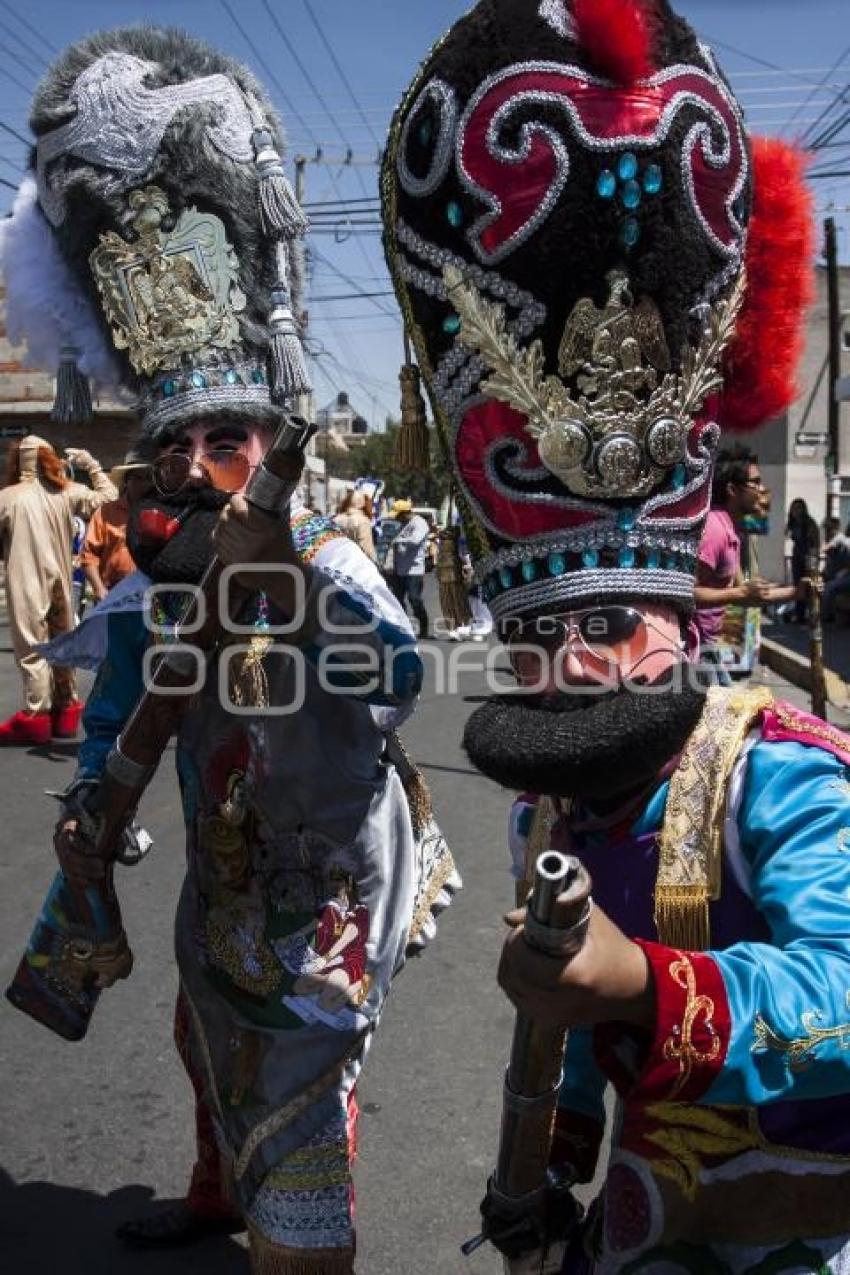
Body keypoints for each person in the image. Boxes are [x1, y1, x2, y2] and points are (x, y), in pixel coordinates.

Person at [382, 0, 848, 1269]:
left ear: (683, 620)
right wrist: (545, 1159)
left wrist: (644, 984)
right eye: (537, 639)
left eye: (608, 626)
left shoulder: (780, 769)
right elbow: (573, 1036)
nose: (573, 667)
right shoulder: (562, 806)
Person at [1, 26, 458, 1274]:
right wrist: (97, 805)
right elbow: (130, 697)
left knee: (304, 1137)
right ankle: (213, 1189)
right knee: (202, 1024)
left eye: (229, 441)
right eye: (178, 443)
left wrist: (295, 584)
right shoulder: (162, 579)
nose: (200, 467)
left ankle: (294, 1235)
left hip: (325, 895)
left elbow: (397, 680)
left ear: (270, 442)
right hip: (226, 878)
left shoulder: (328, 557)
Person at [0, 435, 116, 744]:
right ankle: (66, 709)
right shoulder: (67, 492)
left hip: (26, 577)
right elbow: (110, 497)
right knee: (62, 640)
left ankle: (36, 715)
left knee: (32, 645)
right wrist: (91, 465)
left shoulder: (8, 496)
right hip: (63, 577)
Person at [694, 447, 800, 679]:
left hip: (710, 649)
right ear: (732, 489)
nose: (762, 490)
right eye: (755, 483)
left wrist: (798, 591)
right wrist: (740, 593)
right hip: (694, 651)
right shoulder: (714, 530)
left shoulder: (732, 530)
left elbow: (747, 593)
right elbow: (687, 594)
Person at [80, 451, 153, 603]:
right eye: (138, 478)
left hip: (149, 596)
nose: (144, 484)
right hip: (111, 593)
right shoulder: (106, 512)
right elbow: (89, 556)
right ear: (127, 481)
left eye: (148, 478)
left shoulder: (159, 511)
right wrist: (98, 588)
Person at [386, 498, 430, 638]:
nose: (397, 519)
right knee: (397, 600)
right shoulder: (402, 525)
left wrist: (398, 540)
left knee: (414, 599)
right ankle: (404, 628)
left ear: (405, 513)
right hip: (400, 570)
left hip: (414, 570)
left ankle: (423, 627)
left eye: (398, 516)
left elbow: (415, 540)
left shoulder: (419, 523)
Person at [786, 496, 820, 622]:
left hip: (808, 559)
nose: (796, 512)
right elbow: (789, 536)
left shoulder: (809, 524)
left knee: (810, 587)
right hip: (797, 558)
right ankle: (800, 615)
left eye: (799, 509)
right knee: (798, 586)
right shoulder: (794, 524)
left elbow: (814, 544)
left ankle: (812, 615)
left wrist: (812, 563)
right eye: (794, 509)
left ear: (803, 510)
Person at [333, 488, 376, 561]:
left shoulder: (336, 519)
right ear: (362, 503)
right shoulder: (363, 521)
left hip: (338, 561)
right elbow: (366, 548)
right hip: (356, 563)